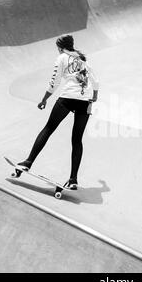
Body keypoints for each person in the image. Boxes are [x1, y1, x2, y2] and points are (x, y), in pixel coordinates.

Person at [17, 34, 99, 191]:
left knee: (49, 128)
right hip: (85, 100)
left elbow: (54, 82)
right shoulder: (82, 60)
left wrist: (44, 99)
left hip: (68, 98)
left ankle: (28, 162)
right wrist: (93, 97)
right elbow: (95, 81)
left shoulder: (61, 58)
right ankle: (73, 179)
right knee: (77, 140)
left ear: (61, 48)